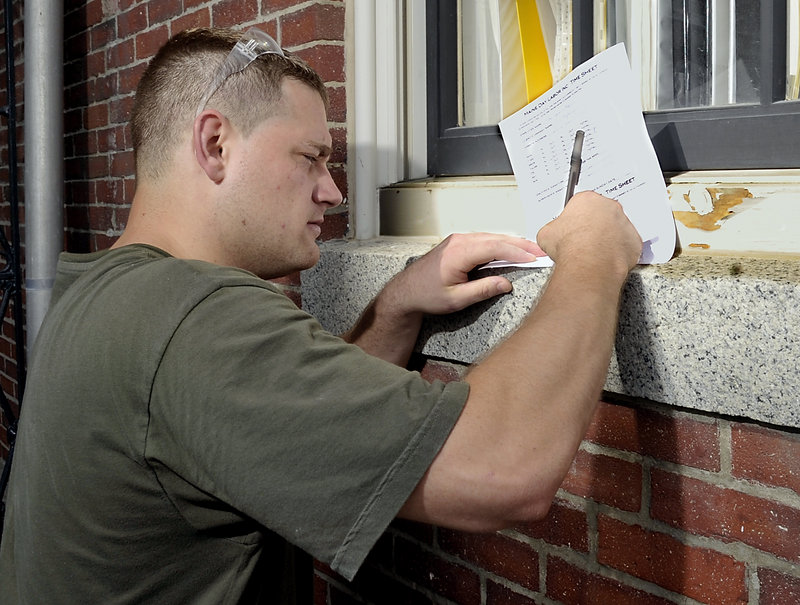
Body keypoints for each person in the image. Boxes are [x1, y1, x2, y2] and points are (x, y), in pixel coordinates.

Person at [0, 27, 641, 604]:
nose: (332, 190)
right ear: (216, 144)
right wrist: (592, 253)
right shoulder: (194, 319)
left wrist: (395, 307)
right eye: (310, 157)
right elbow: (503, 465)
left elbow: (289, 429)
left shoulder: (105, 293)